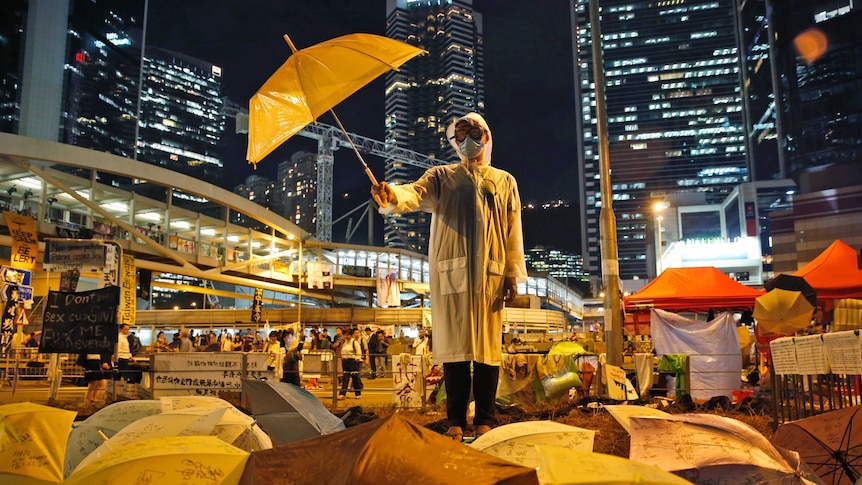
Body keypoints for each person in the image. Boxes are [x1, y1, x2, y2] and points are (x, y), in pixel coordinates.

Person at [371, 112, 526, 441]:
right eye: (461, 134)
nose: (468, 139)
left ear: (486, 136)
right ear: (453, 143)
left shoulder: (504, 181)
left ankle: (485, 418)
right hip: (451, 274)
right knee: (455, 351)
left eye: (474, 132)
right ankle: (455, 420)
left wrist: (512, 274)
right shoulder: (441, 176)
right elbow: (413, 193)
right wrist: (392, 195)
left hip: (491, 276)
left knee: (487, 351)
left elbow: (514, 231)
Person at [338, 328, 364, 400]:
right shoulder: (344, 343)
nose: (347, 336)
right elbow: (342, 351)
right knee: (345, 378)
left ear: (351, 335)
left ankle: (358, 394)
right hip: (345, 362)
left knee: (355, 378)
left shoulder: (354, 342)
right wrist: (342, 357)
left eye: (348, 335)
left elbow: (359, 352)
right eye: (345, 335)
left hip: (353, 362)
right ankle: (342, 394)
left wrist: (357, 358)